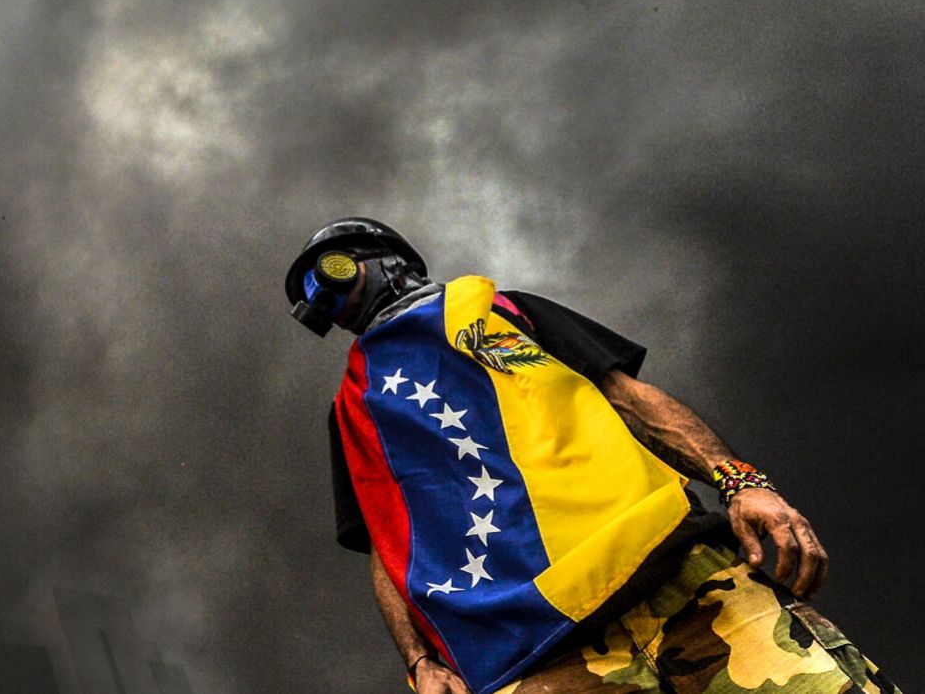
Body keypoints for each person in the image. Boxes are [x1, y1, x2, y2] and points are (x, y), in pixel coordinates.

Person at [287, 218, 900, 694]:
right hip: (538, 654)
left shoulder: (501, 308)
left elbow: (627, 397)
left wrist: (741, 481)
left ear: (385, 260)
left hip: (677, 578)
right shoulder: (353, 406)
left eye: (335, 269)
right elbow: (385, 542)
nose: (331, 291)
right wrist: (422, 662)